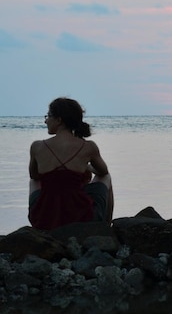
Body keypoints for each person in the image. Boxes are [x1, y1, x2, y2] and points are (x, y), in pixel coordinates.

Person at [28, 97, 114, 230]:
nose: (45, 120)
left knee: (33, 182)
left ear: (59, 120)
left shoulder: (37, 146)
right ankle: (106, 228)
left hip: (45, 218)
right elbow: (103, 172)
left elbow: (34, 175)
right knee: (106, 178)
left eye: (48, 116)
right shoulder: (88, 147)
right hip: (82, 217)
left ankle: (40, 226)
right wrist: (86, 167)